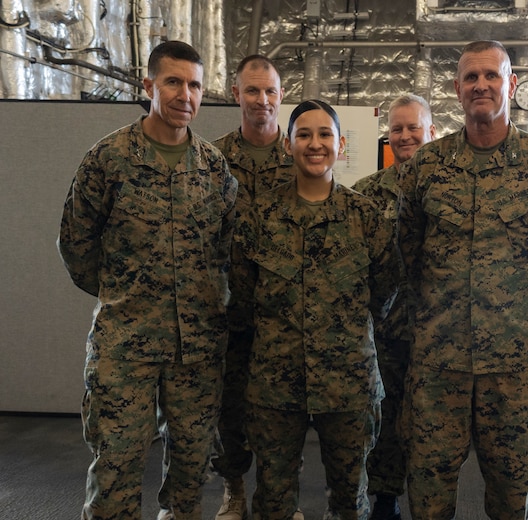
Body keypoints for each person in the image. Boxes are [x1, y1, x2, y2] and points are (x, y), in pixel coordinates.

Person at [56, 40, 238, 520]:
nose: (185, 94)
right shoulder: (108, 159)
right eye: (174, 82)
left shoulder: (214, 170)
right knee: (117, 462)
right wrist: (123, 293)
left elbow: (226, 250)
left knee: (191, 469)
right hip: (126, 342)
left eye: (195, 85)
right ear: (149, 85)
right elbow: (76, 244)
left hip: (197, 347)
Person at [397, 40, 528, 519]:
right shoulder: (426, 168)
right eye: (471, 78)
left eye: (492, 76)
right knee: (429, 489)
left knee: (511, 487)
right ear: (457, 90)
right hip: (439, 363)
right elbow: (408, 252)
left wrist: (523, 320)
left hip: (511, 365)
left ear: (511, 84)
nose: (481, 85)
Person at [232, 99, 400, 520]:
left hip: (348, 382)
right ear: (288, 145)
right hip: (275, 382)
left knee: (349, 499)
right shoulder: (259, 215)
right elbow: (241, 292)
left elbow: (385, 288)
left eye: (325, 134)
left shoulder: (365, 216)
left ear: (340, 145)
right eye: (303, 135)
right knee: (272, 499)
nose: (314, 144)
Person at [210, 54, 296, 520]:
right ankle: (234, 489)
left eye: (270, 91)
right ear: (236, 94)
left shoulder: (301, 156)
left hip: (284, 315)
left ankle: (279, 496)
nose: (262, 100)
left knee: (282, 414)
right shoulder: (212, 160)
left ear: (281, 95)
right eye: (252, 91)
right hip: (231, 312)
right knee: (230, 410)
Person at [352, 94, 436, 520]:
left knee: (427, 429)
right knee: (382, 424)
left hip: (434, 336)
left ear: (431, 132)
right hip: (382, 334)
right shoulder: (366, 195)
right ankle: (385, 499)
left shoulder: (446, 192)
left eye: (413, 128)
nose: (405, 136)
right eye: (397, 129)